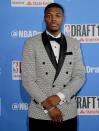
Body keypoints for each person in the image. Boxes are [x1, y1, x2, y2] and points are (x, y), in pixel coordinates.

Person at [21, 3, 85, 131]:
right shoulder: (31, 43)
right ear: (44, 18)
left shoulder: (74, 43)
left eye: (57, 15)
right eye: (49, 16)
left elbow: (79, 76)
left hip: (67, 111)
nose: (53, 19)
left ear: (63, 18)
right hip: (40, 112)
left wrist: (60, 96)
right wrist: (49, 106)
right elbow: (28, 80)